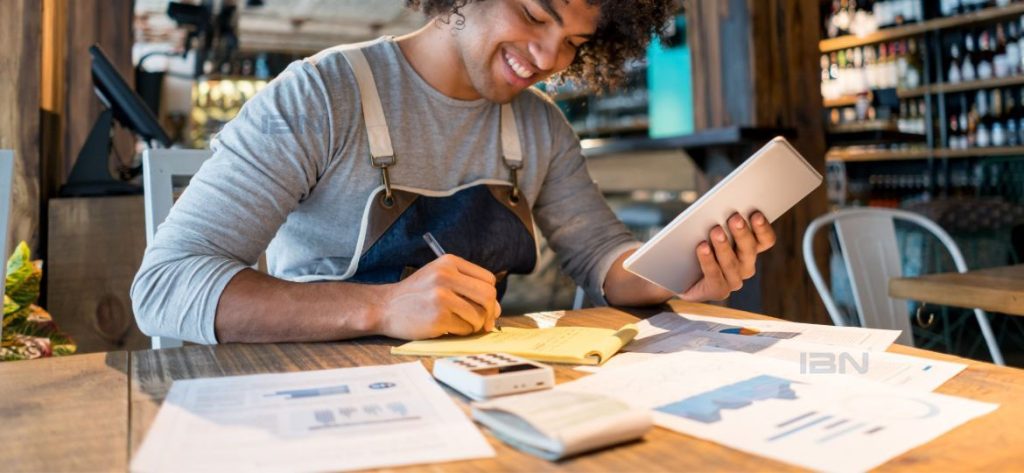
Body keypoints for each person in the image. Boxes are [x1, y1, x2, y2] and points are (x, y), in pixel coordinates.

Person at [131, 0, 777, 345]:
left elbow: (604, 260)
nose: (551, 57)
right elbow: (164, 285)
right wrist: (381, 306)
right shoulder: (322, 96)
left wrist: (682, 268)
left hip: (480, 399)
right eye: (534, 13)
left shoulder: (541, 129)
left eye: (576, 42)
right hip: (317, 394)